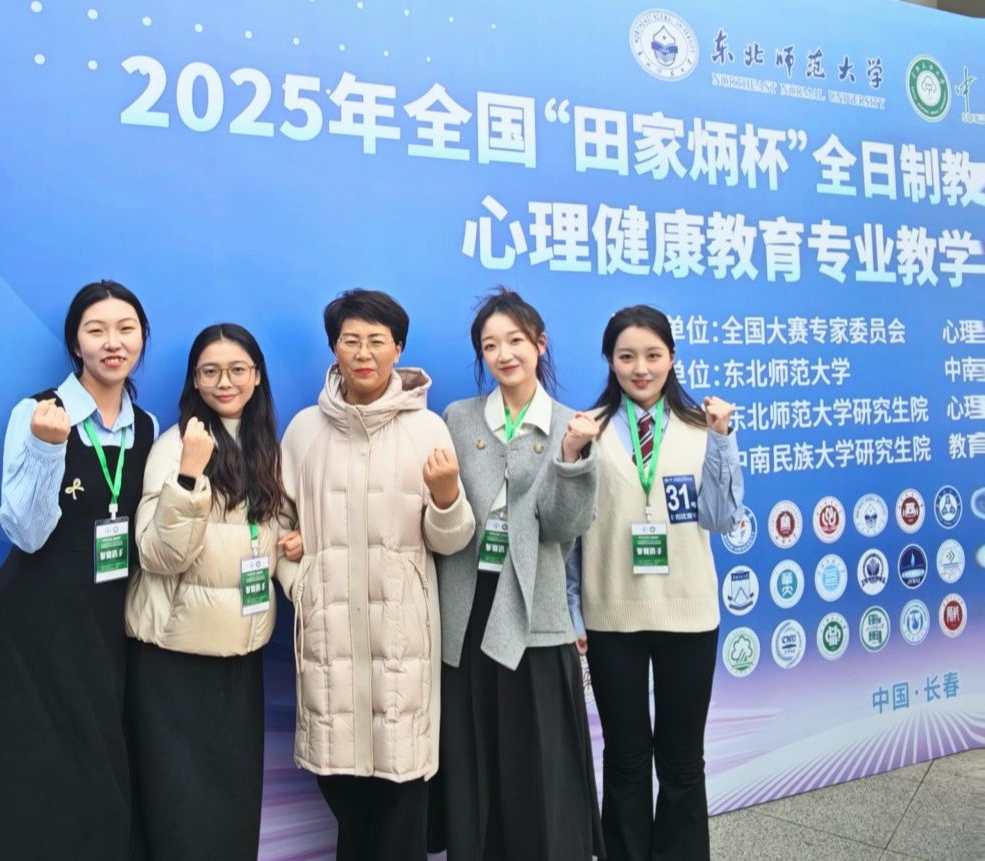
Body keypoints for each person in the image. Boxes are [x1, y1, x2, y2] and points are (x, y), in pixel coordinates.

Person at [0, 280, 157, 860]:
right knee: (19, 779)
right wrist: (48, 449)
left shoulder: (145, 426)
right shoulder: (37, 412)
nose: (113, 343)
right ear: (75, 343)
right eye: (96, 330)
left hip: (101, 628)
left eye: (125, 329)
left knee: (93, 779)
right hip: (27, 627)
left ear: (142, 338)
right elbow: (25, 533)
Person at [275, 289, 476, 861]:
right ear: (334, 348)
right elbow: (276, 524)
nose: (363, 354)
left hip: (401, 643)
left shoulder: (428, 429)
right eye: (350, 341)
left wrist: (447, 498)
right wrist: (299, 581)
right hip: (330, 641)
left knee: (401, 795)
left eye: (376, 341)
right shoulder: (304, 431)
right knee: (342, 790)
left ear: (398, 348)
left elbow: (452, 540)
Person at [432, 287, 605, 861]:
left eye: (515, 341)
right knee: (473, 759)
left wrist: (572, 458)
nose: (504, 354)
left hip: (537, 610)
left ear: (540, 344)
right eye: (490, 345)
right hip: (468, 606)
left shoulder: (569, 424)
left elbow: (563, 527)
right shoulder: (458, 418)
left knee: (539, 765)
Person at [567, 304, 743, 861]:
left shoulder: (702, 428)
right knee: (624, 758)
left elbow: (722, 518)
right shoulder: (587, 430)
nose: (640, 368)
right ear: (609, 360)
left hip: (689, 615)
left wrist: (723, 438)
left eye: (652, 355)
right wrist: (573, 611)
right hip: (611, 614)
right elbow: (570, 534)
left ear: (672, 358)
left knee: (683, 760)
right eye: (626, 356)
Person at [124, 323, 301, 861]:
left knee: (232, 807)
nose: (225, 382)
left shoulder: (267, 448)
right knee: (177, 811)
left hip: (240, 656)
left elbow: (269, 539)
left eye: (237, 369)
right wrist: (188, 478)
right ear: (195, 381)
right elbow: (159, 555)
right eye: (211, 371)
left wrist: (292, 548)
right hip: (174, 658)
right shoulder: (175, 445)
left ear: (257, 376)